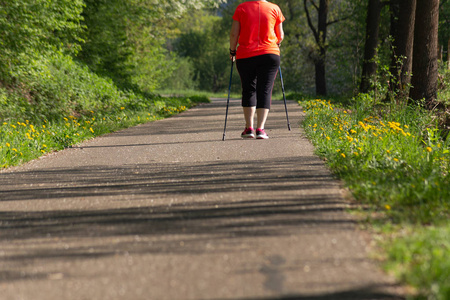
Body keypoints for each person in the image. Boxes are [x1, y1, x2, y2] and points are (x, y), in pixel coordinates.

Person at [229, 0, 285, 139]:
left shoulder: (241, 8)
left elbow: (233, 34)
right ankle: (260, 129)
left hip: (246, 55)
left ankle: (249, 128)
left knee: (248, 89)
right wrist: (274, 44)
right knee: (265, 89)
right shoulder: (274, 8)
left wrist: (232, 51)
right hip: (269, 54)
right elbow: (281, 35)